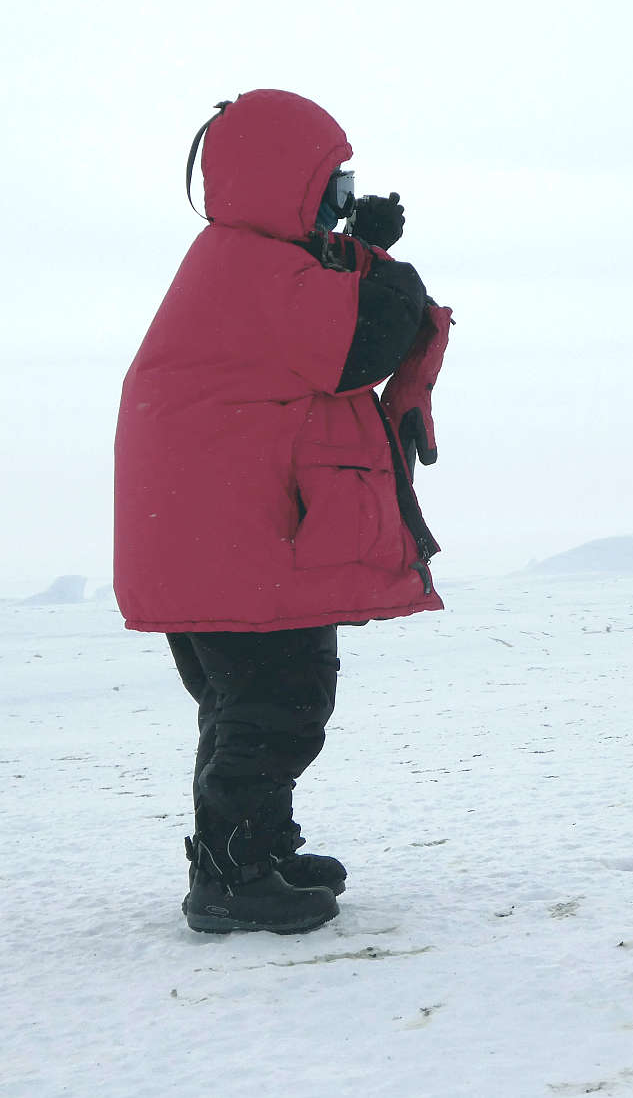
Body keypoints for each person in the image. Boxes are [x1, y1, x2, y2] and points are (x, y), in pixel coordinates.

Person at [114, 89, 453, 934]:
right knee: (279, 706)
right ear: (286, 182)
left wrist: (360, 247)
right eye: (332, 185)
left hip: (220, 541)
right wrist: (392, 272)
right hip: (240, 543)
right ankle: (231, 878)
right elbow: (359, 344)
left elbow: (325, 309)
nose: (340, 202)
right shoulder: (255, 270)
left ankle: (250, 853)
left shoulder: (245, 262)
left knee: (250, 708)